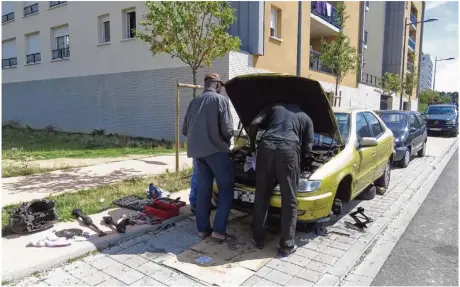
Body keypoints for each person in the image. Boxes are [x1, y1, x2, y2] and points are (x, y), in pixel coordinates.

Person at [249, 104, 314, 256]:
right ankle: (287, 245)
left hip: (265, 148)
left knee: (262, 195)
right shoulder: (306, 118)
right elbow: (309, 147)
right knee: (289, 199)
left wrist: (252, 145)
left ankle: (258, 238)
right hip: (289, 152)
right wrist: (301, 160)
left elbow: (253, 124)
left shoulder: (273, 108)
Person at [182, 73, 235, 241]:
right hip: (217, 152)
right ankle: (219, 230)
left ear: (205, 84)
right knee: (226, 188)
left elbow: (184, 130)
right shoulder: (221, 101)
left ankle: (202, 230)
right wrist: (227, 143)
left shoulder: (194, 102)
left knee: (204, 190)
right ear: (217, 85)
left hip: (198, 154)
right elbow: (227, 130)